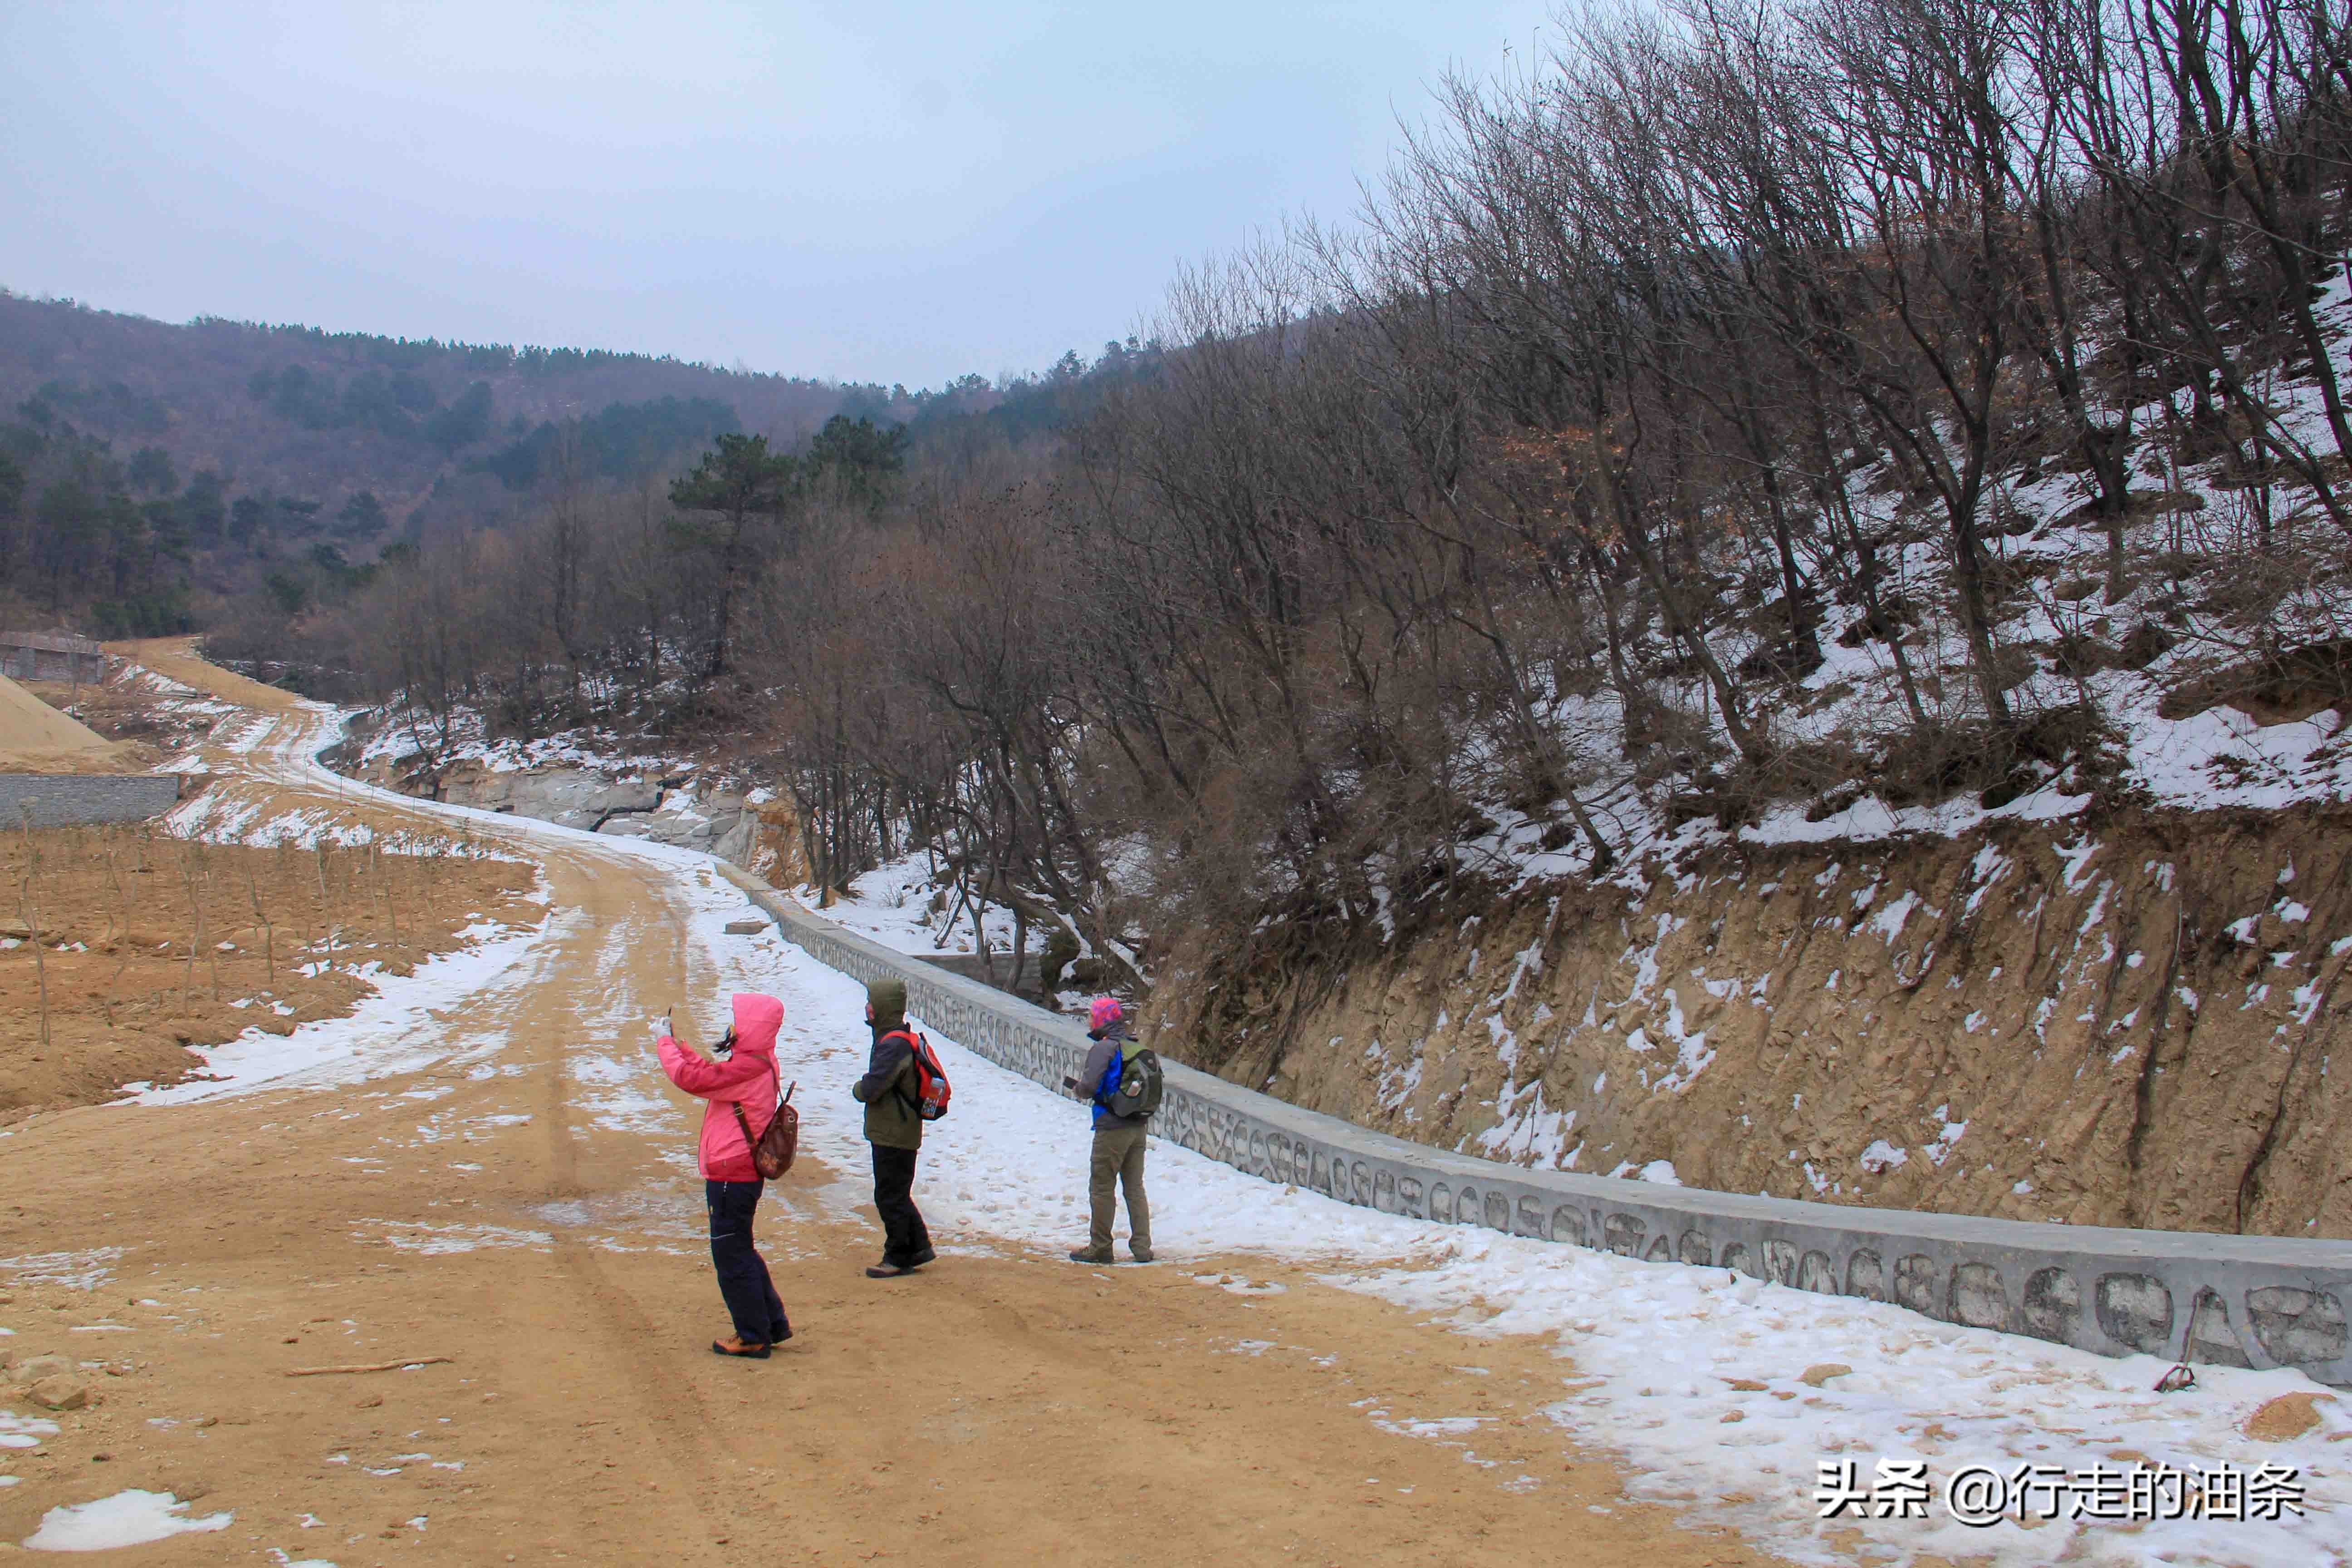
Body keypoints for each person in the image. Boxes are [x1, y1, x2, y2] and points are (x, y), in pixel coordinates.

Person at [656, 992, 793, 1358]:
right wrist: (681, 1046)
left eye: (738, 1020)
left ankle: (752, 1334)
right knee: (741, 1250)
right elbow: (708, 1076)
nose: (732, 1026)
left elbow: (690, 1079)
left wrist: (665, 1046)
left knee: (732, 1257)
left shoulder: (748, 1068)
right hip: (739, 1173)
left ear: (752, 1027)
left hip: (733, 1174)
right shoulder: (757, 1061)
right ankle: (771, 1324)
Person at [850, 977, 935, 1279]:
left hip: (894, 1132)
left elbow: (873, 1088)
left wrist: (858, 1089)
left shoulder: (894, 1045)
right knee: (896, 1192)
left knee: (890, 1195)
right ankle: (919, 1246)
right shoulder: (897, 1039)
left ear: (883, 1007)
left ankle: (898, 1255)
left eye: (872, 1002)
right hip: (899, 1130)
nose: (868, 1008)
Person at [1067, 996, 1152, 1264]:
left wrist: (1078, 1088)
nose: (1090, 1021)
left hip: (1112, 1126)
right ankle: (1142, 1247)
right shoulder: (1132, 1045)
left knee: (1102, 1186)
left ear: (1102, 1020)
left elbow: (1089, 1087)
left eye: (1093, 1016)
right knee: (1135, 1187)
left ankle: (1101, 1246)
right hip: (1137, 1126)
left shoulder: (1104, 1049)